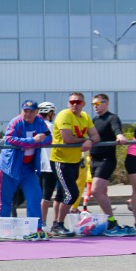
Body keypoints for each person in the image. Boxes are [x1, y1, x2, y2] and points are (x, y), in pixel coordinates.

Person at [0, 100, 53, 239]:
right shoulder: (15, 122)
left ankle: (36, 228)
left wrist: (40, 140)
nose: (28, 114)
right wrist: (33, 141)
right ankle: (4, 229)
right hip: (9, 168)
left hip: (28, 168)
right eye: (25, 111)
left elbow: (49, 138)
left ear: (36, 112)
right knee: (5, 200)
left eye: (31, 111)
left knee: (35, 195)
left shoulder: (40, 121)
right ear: (21, 111)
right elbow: (9, 139)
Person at [47, 93, 99, 238]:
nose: (75, 104)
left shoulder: (85, 117)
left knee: (61, 194)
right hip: (60, 160)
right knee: (72, 194)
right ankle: (58, 224)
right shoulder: (65, 115)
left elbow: (96, 136)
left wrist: (89, 141)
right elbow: (67, 138)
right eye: (72, 102)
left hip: (74, 161)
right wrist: (86, 139)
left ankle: (55, 224)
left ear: (83, 104)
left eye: (78, 102)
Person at [88, 93, 130, 234]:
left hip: (106, 159)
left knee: (96, 190)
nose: (95, 107)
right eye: (93, 105)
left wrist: (120, 135)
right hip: (94, 159)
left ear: (106, 103)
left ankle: (112, 222)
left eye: (98, 104)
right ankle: (106, 221)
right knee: (103, 192)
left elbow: (116, 128)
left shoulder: (112, 117)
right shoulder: (94, 119)